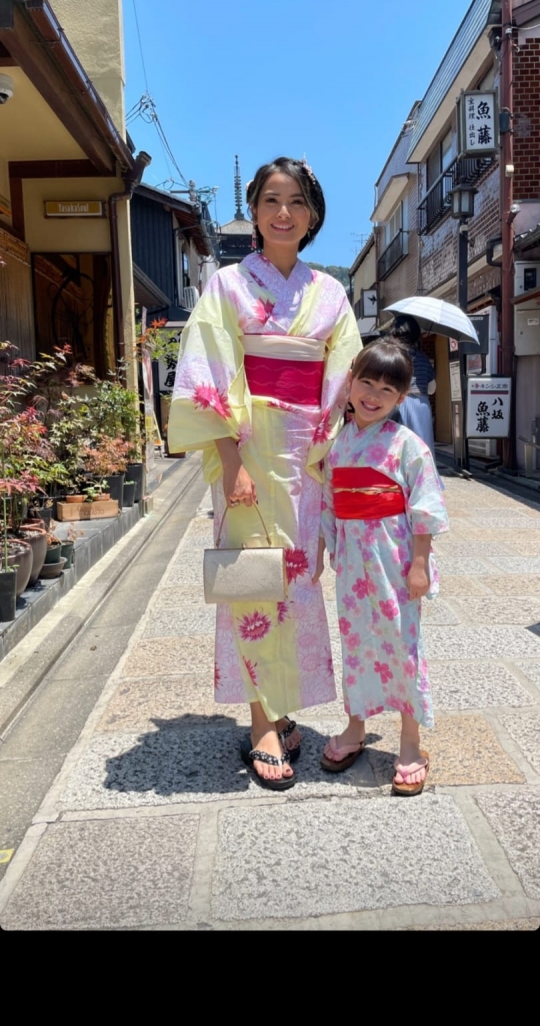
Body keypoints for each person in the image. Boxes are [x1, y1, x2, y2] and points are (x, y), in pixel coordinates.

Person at [167, 156, 362, 790]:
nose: (285, 212)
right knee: (254, 585)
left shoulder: (330, 293)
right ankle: (260, 726)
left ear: (312, 215)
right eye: (272, 200)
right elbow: (210, 373)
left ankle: (282, 709)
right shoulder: (226, 286)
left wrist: (333, 455)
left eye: (297, 201)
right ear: (253, 211)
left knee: (300, 587)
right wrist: (229, 463)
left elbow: (344, 381)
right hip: (248, 454)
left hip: (306, 456)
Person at [318, 338, 449, 795]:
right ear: (350, 382)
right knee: (355, 644)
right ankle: (356, 726)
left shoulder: (407, 446)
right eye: (366, 383)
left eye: (387, 391)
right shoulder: (338, 445)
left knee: (402, 647)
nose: (373, 396)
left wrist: (420, 564)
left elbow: (426, 508)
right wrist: (326, 550)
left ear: (401, 397)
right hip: (354, 565)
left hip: (394, 561)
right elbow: (330, 503)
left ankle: (411, 742)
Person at [386, 314, 437, 457]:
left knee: (396, 445)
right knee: (422, 445)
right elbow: (432, 388)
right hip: (421, 405)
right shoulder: (423, 359)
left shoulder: (392, 357)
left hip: (396, 402)